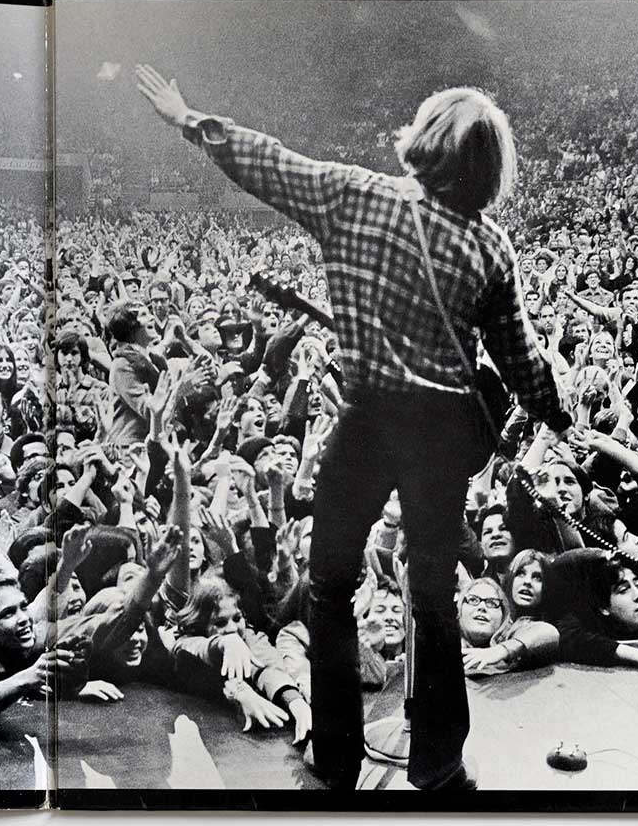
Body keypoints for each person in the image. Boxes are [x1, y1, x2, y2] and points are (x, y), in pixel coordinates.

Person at [136, 67, 570, 791]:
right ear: (491, 168)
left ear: (423, 141)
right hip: (439, 435)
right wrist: (557, 413)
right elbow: (520, 357)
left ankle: (336, 754)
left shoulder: (355, 195)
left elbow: (268, 160)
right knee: (431, 590)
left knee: (329, 584)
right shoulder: (491, 248)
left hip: (367, 420)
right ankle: (439, 759)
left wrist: (188, 117)